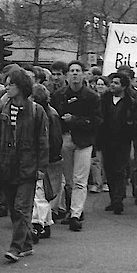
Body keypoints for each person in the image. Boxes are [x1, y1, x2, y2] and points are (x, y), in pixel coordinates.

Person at [0, 67, 49, 262]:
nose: (6, 87)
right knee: (14, 208)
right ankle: (27, 242)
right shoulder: (3, 109)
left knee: (22, 207)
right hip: (7, 165)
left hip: (28, 166)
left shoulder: (36, 111)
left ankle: (15, 247)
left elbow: (43, 141)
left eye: (10, 83)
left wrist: (41, 168)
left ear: (21, 86)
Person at [50, 61, 102, 231]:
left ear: (83, 74)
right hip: (65, 139)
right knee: (68, 179)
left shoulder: (92, 97)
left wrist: (76, 120)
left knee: (80, 179)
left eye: (78, 71)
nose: (74, 74)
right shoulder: (58, 95)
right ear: (67, 75)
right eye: (71, 71)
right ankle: (69, 209)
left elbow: (97, 121)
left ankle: (75, 214)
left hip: (84, 141)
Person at [96, 72, 137, 214]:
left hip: (123, 140)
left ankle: (118, 199)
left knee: (120, 170)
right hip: (107, 139)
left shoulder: (131, 102)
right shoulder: (105, 99)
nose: (112, 86)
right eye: (112, 83)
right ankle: (113, 198)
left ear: (124, 86)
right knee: (109, 169)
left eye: (116, 83)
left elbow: (135, 121)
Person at [29, 83, 62, 241]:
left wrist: (47, 158)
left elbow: (52, 139)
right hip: (48, 157)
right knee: (43, 192)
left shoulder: (44, 114)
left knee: (39, 192)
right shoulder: (49, 112)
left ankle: (38, 224)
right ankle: (46, 223)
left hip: (43, 158)